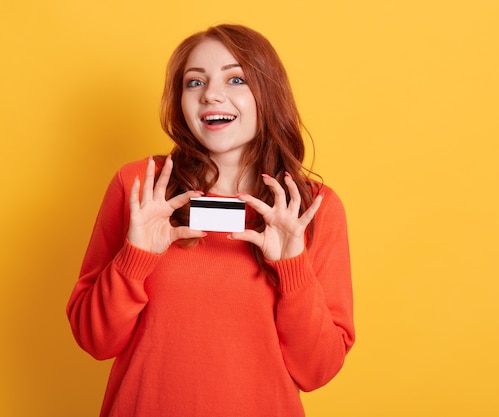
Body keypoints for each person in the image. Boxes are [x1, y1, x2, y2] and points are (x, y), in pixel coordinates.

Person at [67, 24, 355, 417]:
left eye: (236, 79)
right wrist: (135, 257)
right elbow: (94, 339)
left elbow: (317, 369)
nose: (211, 95)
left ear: (268, 94)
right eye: (194, 82)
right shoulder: (140, 187)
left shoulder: (309, 207)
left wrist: (293, 270)